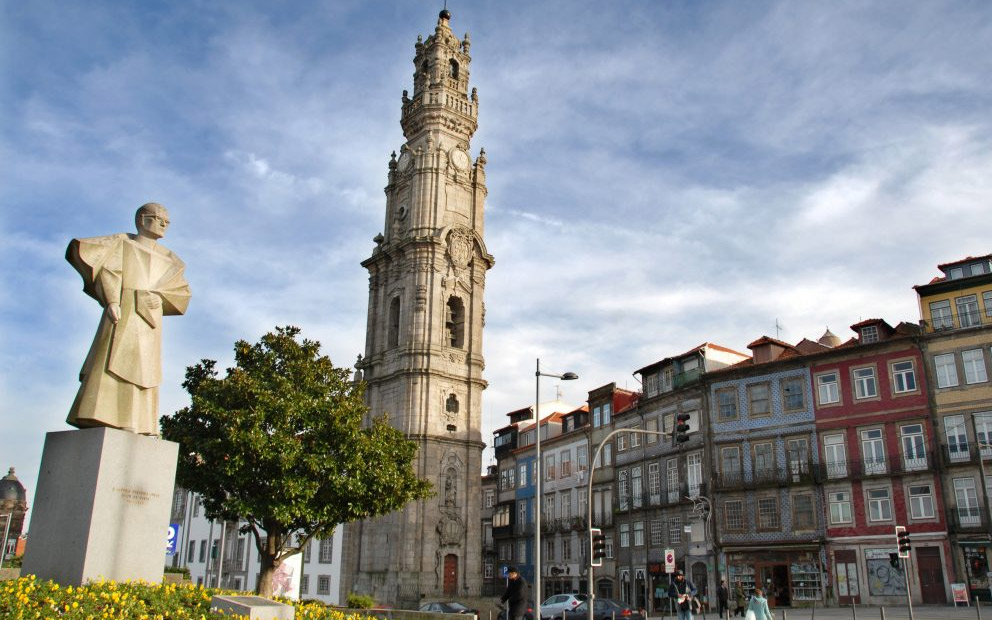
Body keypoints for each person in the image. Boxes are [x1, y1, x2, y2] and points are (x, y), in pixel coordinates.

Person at [66, 203, 191, 436]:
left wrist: (160, 298)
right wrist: (112, 300)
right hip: (125, 309)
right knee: (113, 358)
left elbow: (181, 294)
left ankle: (139, 423)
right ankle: (102, 414)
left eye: (167, 221)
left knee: (145, 369)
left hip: (150, 320)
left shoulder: (172, 260)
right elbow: (109, 272)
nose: (164, 224)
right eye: (159, 219)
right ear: (142, 220)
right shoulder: (123, 244)